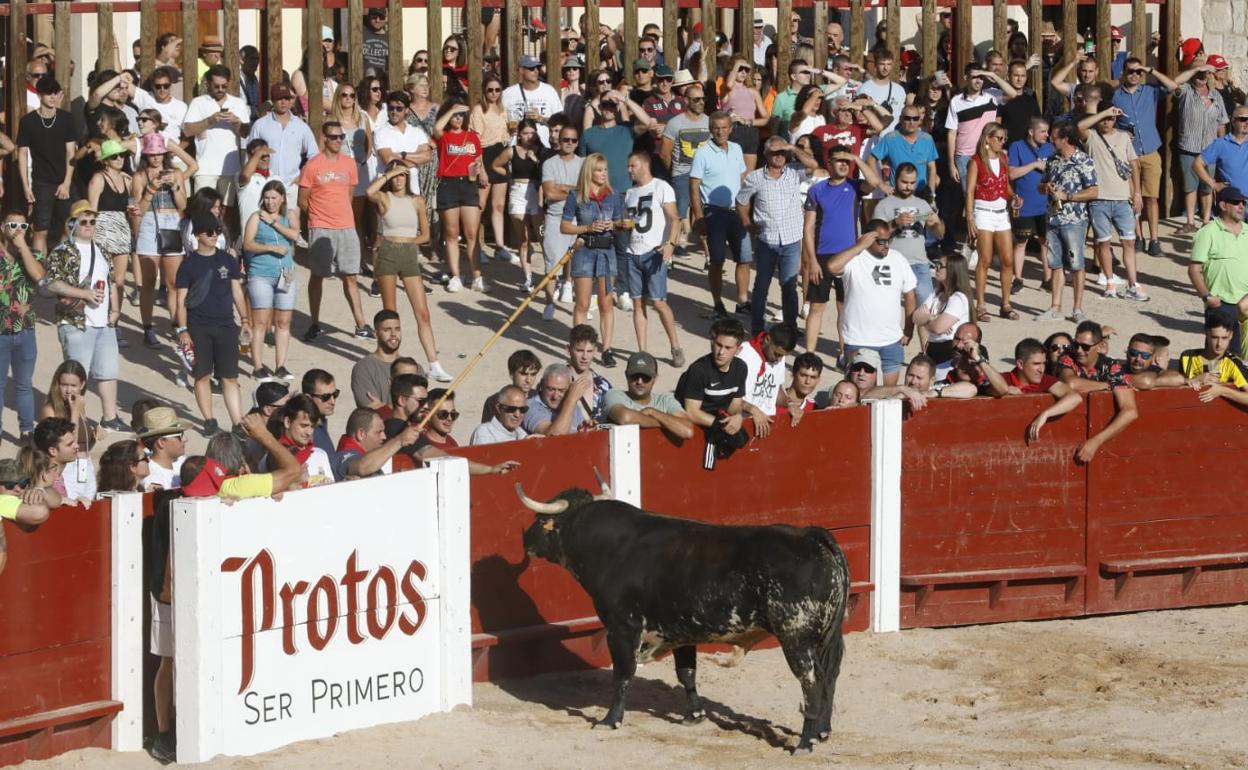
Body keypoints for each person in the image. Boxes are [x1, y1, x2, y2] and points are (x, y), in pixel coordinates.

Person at [43, 201, 125, 432]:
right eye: (84, 221)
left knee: (108, 371)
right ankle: (77, 420)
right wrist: (84, 293)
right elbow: (52, 284)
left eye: (93, 221)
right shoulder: (63, 251)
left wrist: (116, 310)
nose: (89, 225)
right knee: (77, 376)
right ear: (72, 224)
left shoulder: (101, 250)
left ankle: (110, 418)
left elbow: (110, 283)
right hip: (76, 322)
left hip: (103, 322)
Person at [366, 162, 447, 381]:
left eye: (402, 174)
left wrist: (407, 242)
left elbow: (426, 234)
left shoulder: (416, 201)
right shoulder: (384, 198)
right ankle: (390, 361)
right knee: (390, 313)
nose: (398, 179)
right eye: (395, 175)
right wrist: (387, 174)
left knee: (423, 313)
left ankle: (434, 364)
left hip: (408, 253)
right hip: (388, 253)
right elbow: (369, 192)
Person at [802, 146, 884, 355]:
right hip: (821, 256)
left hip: (849, 257)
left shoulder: (855, 186)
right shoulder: (817, 190)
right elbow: (808, 228)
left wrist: (856, 157)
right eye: (839, 160)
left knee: (845, 308)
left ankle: (844, 353)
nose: (843, 165)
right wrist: (811, 260)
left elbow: (874, 182)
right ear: (829, 163)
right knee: (816, 307)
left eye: (846, 162)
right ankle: (809, 354)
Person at [299, 121, 373, 341]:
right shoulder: (312, 165)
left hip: (346, 226)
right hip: (321, 227)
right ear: (324, 138)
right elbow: (303, 200)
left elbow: (349, 195)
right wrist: (319, 216)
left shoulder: (350, 164)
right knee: (318, 275)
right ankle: (314, 323)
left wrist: (341, 215)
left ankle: (361, 324)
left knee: (350, 275)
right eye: (333, 137)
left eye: (341, 137)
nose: (338, 141)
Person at [821, 220, 918, 385]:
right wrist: (859, 246)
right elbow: (831, 267)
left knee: (888, 397)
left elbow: (910, 295)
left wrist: (909, 329)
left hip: (891, 341)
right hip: (860, 340)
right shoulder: (854, 258)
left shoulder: (898, 258)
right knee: (859, 396)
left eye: (888, 240)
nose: (886, 245)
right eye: (881, 241)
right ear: (867, 238)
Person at [175, 213, 247, 434]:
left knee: (230, 377)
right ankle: (209, 421)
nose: (215, 235)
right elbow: (180, 300)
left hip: (226, 325)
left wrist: (244, 320)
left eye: (217, 231)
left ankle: (237, 423)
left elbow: (237, 291)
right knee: (202, 375)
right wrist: (183, 329)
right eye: (209, 232)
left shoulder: (227, 259)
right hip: (198, 328)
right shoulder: (188, 265)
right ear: (197, 235)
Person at [737, 137, 817, 335]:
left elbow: (813, 164)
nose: (779, 156)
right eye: (775, 152)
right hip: (766, 240)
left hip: (791, 240)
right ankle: (757, 328)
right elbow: (741, 201)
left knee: (789, 286)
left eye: (783, 153)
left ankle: (790, 327)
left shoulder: (794, 172)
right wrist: (747, 223)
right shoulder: (755, 177)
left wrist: (790, 147)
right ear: (766, 155)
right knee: (761, 286)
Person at [1078, 103, 1148, 301]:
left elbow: (1134, 165)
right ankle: (1109, 281)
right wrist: (1103, 112)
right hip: (1099, 199)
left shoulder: (1124, 137)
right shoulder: (1091, 136)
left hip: (1122, 199)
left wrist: (1137, 193)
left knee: (1129, 242)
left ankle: (1133, 284)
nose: (1107, 121)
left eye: (1110, 118)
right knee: (1103, 243)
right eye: (1103, 118)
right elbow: (1080, 127)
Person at [132, 133, 196, 347]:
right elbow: (137, 210)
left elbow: (183, 205)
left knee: (173, 283)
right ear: (146, 155)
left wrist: (175, 186)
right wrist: (151, 188)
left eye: (160, 153)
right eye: (152, 154)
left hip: (171, 222)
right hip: (150, 223)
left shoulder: (176, 173)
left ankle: (178, 325)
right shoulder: (140, 176)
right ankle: (147, 327)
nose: (157, 158)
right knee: (149, 282)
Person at [1114, 57, 1182, 257]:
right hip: (1129, 153)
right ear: (1124, 73)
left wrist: (1150, 69)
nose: (1134, 75)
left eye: (1138, 72)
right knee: (1132, 199)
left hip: (1151, 150)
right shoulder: (1117, 96)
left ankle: (1154, 239)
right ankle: (1137, 236)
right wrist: (1121, 132)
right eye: (1130, 71)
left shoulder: (1150, 91)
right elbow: (1111, 121)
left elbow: (1173, 86)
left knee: (1152, 198)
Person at [621, 150, 683, 363]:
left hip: (654, 252)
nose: (629, 170)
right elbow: (630, 223)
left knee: (659, 303)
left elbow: (675, 219)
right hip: (633, 252)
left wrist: (671, 245)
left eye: (633, 165)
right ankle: (643, 351)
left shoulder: (661, 186)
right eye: (628, 166)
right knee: (638, 303)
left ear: (645, 164)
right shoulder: (629, 193)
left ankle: (675, 346)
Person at [561, 153, 623, 363]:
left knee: (607, 304)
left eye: (605, 170)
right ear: (589, 171)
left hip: (607, 252)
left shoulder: (613, 195)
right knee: (583, 304)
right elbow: (564, 226)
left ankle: (607, 350)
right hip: (585, 250)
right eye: (599, 170)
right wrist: (587, 227)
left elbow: (621, 223)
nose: (603, 174)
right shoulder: (576, 195)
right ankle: (579, 349)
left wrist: (614, 225)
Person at [691, 111, 752, 317]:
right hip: (714, 212)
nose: (720, 131)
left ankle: (742, 301)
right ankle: (717, 303)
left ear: (731, 128)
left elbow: (742, 178)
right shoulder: (702, 153)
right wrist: (699, 217)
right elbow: (694, 185)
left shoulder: (736, 148)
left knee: (744, 258)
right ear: (711, 129)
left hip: (737, 211)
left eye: (724, 127)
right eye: (716, 128)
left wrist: (746, 209)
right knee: (717, 260)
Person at [1039, 122, 1099, 323]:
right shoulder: (1052, 160)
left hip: (1074, 220)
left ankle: (1077, 309)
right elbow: (1041, 185)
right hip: (1053, 218)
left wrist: (1068, 196)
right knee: (1055, 263)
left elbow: (1094, 191)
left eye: (1054, 137)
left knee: (1076, 264)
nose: (1050, 140)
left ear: (1065, 139)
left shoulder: (1083, 161)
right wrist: (1045, 187)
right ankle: (1055, 307)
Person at [676, 318, 756, 467]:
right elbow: (692, 412)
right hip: (692, 426)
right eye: (718, 345)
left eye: (728, 347)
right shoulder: (699, 370)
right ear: (712, 342)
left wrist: (737, 417)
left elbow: (735, 404)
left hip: (716, 419)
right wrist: (720, 425)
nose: (721, 352)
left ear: (738, 350)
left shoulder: (741, 368)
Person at [1055, 320, 1138, 462]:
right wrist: (1107, 385)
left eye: (1085, 347)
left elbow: (1130, 412)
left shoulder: (1112, 366)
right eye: (1076, 345)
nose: (1079, 350)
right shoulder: (1068, 357)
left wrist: (1097, 441)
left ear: (1099, 347)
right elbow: (1071, 383)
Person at [240, 180, 299, 379]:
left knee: (283, 320)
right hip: (261, 274)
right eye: (266, 198)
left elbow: (294, 235)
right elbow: (247, 244)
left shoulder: (289, 215)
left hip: (286, 273)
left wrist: (273, 222)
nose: (270, 202)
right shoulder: (255, 217)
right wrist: (269, 248)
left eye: (274, 198)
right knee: (261, 322)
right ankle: (257, 367)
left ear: (282, 198)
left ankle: (280, 365)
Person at [182, 65, 251, 231]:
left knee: (227, 211)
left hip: (230, 166)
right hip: (205, 167)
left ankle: (226, 246)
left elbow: (245, 133)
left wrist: (236, 122)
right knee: (203, 209)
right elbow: (187, 130)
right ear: (208, 83)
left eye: (224, 86)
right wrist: (209, 121)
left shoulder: (238, 103)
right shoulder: (199, 102)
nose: (220, 89)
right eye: (216, 86)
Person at [965, 122, 1021, 320]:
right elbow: (970, 190)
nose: (1002, 142)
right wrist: (970, 216)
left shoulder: (1003, 158)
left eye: (1004, 138)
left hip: (1000, 212)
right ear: (987, 138)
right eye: (999, 138)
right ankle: (981, 304)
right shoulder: (976, 161)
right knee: (985, 259)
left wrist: (1013, 196)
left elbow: (1004, 185)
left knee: (1007, 260)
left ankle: (1005, 303)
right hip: (983, 211)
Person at [432, 100, 489, 292]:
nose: (457, 118)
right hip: (448, 183)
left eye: (460, 115)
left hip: (468, 183)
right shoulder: (445, 136)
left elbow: (478, 159)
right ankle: (456, 275)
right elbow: (436, 128)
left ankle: (477, 277)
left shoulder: (472, 137)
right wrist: (453, 109)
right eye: (455, 115)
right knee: (451, 233)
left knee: (472, 233)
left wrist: (482, 173)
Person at [18, 76, 76, 255]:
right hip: (41, 182)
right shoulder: (28, 121)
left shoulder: (66, 119)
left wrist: (66, 183)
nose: (52, 97)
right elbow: (22, 154)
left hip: (64, 180)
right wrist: (26, 186)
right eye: (48, 93)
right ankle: (39, 273)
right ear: (39, 94)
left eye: (55, 93)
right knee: (40, 230)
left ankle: (60, 267)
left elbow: (71, 153)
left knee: (69, 227)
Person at [874, 163, 945, 309]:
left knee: (926, 311)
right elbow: (874, 237)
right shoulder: (883, 205)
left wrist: (937, 223)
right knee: (885, 308)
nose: (908, 186)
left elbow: (940, 233)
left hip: (919, 264)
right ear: (895, 180)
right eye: (904, 182)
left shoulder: (923, 204)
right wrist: (894, 223)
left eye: (912, 183)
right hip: (891, 263)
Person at [0, 213, 45, 440]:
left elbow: (39, 277)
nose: (17, 229)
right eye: (12, 225)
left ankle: (26, 430)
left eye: (22, 225)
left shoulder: (33, 255)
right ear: (2, 228)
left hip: (25, 331)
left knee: (24, 384)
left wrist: (23, 248)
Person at [1190, 185, 1248, 358]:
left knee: (1243, 358)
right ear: (1223, 205)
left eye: (1243, 203)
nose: (1241, 206)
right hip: (1221, 304)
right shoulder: (1207, 232)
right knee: (1219, 356)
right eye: (1236, 202)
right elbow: (1194, 269)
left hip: (1246, 302)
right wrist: (1207, 297)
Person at [491, 120, 546, 291]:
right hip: (518, 191)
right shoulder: (511, 151)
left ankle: (550, 275)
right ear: (519, 134)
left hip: (535, 191)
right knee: (523, 238)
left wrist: (535, 159)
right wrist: (509, 175)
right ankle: (528, 278)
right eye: (525, 133)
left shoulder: (542, 151)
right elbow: (495, 165)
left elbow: (547, 170)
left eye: (532, 132)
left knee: (542, 235)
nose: (529, 136)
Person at [1173, 63, 1226, 233]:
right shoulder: (1186, 92)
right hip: (1189, 147)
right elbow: (1175, 82)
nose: (1202, 76)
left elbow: (1221, 123)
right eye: (1199, 73)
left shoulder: (1216, 96)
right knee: (1190, 187)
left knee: (1207, 187)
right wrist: (1196, 68)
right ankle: (1190, 222)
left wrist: (1222, 146)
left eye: (1205, 73)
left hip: (1209, 150)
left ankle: (1205, 220)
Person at [946, 64, 1016, 187]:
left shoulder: (992, 95)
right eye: (974, 77)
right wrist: (951, 164)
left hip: (987, 153)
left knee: (987, 193)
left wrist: (992, 75)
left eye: (981, 77)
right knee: (968, 195)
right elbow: (951, 133)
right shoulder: (956, 101)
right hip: (964, 156)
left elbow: (1013, 93)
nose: (978, 80)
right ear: (966, 77)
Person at [1003, 337, 1085, 442]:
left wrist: (1045, 414)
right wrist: (1003, 389)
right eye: (1036, 364)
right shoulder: (1003, 380)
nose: (1041, 370)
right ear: (1020, 364)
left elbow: (1075, 397)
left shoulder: (1045, 380)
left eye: (1044, 363)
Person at [541, 125, 586, 316]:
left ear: (577, 143)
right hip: (556, 217)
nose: (569, 143)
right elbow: (549, 193)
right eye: (565, 139)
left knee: (580, 264)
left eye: (573, 140)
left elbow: (587, 192)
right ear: (559, 141)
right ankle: (549, 303)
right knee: (552, 263)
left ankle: (577, 301)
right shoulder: (549, 163)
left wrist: (563, 188)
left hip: (579, 217)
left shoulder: (584, 163)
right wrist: (574, 190)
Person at [661, 81, 711, 251]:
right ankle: (672, 252)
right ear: (686, 101)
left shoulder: (710, 122)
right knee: (678, 214)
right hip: (682, 174)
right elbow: (665, 153)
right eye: (696, 99)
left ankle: (709, 255)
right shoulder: (675, 123)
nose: (701, 102)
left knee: (705, 214)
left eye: (703, 99)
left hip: (705, 175)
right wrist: (675, 171)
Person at [1007, 116, 1053, 294]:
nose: (1046, 135)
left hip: (1045, 205)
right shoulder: (1017, 146)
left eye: (1047, 131)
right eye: (1043, 131)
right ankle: (1017, 279)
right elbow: (1011, 174)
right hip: (1023, 204)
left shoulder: (1049, 148)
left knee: (1045, 242)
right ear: (1031, 132)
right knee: (1020, 242)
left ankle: (1047, 279)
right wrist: (1035, 164)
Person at [601, 351, 695, 438]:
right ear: (626, 375)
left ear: (655, 378)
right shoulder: (614, 395)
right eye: (635, 376)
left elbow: (687, 430)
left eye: (646, 377)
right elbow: (626, 418)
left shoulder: (665, 400)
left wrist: (652, 412)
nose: (639, 382)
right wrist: (667, 423)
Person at [474, 75, 515, 265]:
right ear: (484, 91)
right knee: (480, 204)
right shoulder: (478, 110)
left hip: (501, 153)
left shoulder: (503, 109)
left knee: (499, 205)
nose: (494, 93)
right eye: (490, 90)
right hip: (485, 153)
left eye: (497, 90)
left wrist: (511, 133)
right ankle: (476, 246)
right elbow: (475, 142)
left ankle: (499, 246)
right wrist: (481, 168)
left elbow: (506, 134)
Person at [913, 253, 971, 375]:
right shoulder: (936, 292)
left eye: (940, 265)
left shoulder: (958, 298)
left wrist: (926, 320)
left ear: (952, 270)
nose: (936, 268)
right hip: (932, 349)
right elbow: (915, 316)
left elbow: (938, 328)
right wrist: (932, 318)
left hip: (948, 352)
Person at [263, 394, 336, 485]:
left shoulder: (320, 454)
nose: (309, 432)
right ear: (287, 422)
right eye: (304, 426)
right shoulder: (274, 456)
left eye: (312, 426)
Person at [1176, 315, 1248, 406]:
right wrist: (1195, 379)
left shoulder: (1233, 362)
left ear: (1231, 336)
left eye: (1224, 338)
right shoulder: (1188, 357)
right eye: (1214, 337)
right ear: (1206, 334)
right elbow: (1174, 387)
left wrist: (1223, 390)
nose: (1219, 344)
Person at [336, 407, 420, 479]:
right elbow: (363, 467)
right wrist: (399, 440)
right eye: (378, 432)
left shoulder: (369, 456)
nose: (384, 437)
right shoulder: (345, 455)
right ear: (361, 434)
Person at [736, 323, 798, 417]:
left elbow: (775, 389)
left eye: (783, 355)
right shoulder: (743, 353)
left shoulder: (779, 356)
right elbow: (727, 394)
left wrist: (790, 404)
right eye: (777, 354)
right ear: (767, 339)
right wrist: (754, 411)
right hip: (742, 420)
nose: (779, 359)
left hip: (768, 421)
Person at [501, 55, 564, 147]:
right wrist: (509, 128)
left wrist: (541, 119)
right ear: (521, 70)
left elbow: (561, 122)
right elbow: (499, 122)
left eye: (537, 68)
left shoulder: (549, 91)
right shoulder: (507, 94)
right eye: (531, 68)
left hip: (542, 148)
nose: (536, 71)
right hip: (516, 148)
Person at [351, 310, 407, 409]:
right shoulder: (363, 369)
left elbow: (421, 407)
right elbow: (371, 410)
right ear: (376, 334)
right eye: (387, 330)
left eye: (397, 329)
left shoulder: (412, 367)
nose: (394, 334)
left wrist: (384, 406)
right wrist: (407, 406)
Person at [32, 416, 94, 503]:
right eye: (70, 444)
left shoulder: (54, 474)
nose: (77, 446)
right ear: (53, 451)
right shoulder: (47, 479)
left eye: (75, 442)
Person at [1195, 103, 1248, 204]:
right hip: (1232, 204)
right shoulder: (1221, 144)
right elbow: (1197, 164)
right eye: (1242, 119)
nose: (1247, 122)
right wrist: (1213, 184)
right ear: (1233, 121)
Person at [522, 364, 592, 435]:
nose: (555, 396)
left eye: (561, 391)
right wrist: (571, 400)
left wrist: (586, 429)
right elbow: (555, 435)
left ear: (569, 388)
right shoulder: (529, 407)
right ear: (542, 385)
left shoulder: (572, 405)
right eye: (550, 389)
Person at [137, 406, 190, 491]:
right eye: (180, 436)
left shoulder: (183, 462)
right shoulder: (151, 477)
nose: (185, 439)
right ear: (161, 442)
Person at [301, 368, 343, 468]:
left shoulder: (320, 423)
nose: (332, 401)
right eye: (325, 397)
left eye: (335, 394)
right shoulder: (304, 431)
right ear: (308, 398)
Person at [777, 351, 823, 424]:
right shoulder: (773, 400)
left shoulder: (815, 408)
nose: (807, 381)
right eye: (803, 375)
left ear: (818, 380)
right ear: (793, 374)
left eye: (813, 377)